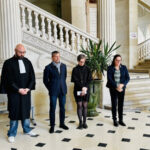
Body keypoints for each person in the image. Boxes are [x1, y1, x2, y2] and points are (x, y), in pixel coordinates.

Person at [0, 44, 36, 143]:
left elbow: (32, 77)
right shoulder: (8, 63)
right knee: (14, 113)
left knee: (25, 111)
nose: (22, 54)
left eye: (23, 52)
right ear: (15, 51)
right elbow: (7, 79)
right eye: (20, 52)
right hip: (14, 93)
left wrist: (28, 88)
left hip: (26, 92)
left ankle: (27, 130)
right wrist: (18, 89)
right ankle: (12, 133)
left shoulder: (27, 62)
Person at [43, 51, 69, 134]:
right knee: (52, 109)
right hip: (53, 91)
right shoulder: (48, 67)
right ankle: (52, 126)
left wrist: (62, 86)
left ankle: (62, 123)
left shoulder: (64, 66)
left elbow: (64, 77)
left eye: (58, 56)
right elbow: (45, 80)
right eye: (56, 56)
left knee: (62, 108)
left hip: (62, 90)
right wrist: (50, 88)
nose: (58, 58)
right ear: (52, 57)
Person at [106, 54, 130, 127]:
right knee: (114, 104)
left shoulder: (124, 67)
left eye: (120, 60)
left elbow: (127, 78)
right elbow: (109, 79)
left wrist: (122, 85)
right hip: (113, 88)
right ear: (114, 60)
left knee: (120, 104)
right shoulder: (110, 68)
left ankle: (121, 120)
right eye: (117, 60)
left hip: (122, 88)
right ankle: (114, 120)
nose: (118, 61)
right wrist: (116, 86)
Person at [71, 54, 92, 129]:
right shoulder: (75, 69)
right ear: (78, 61)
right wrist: (82, 87)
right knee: (79, 105)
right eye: (80, 62)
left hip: (86, 90)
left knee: (85, 105)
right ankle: (80, 122)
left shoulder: (88, 69)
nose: (82, 63)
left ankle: (84, 122)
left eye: (83, 62)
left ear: (85, 61)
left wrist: (85, 87)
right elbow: (75, 80)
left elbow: (89, 79)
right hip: (77, 89)